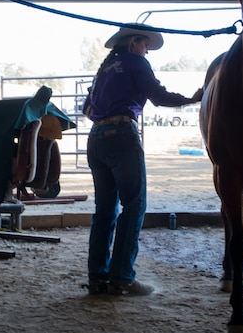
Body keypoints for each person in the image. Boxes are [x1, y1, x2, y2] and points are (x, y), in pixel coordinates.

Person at [82, 24, 202, 296]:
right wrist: (190, 100)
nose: (147, 50)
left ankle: (97, 277)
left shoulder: (105, 69)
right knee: (134, 205)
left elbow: (87, 109)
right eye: (146, 44)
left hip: (96, 136)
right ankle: (122, 277)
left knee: (104, 211)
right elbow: (158, 96)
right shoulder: (136, 62)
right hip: (122, 135)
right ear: (135, 42)